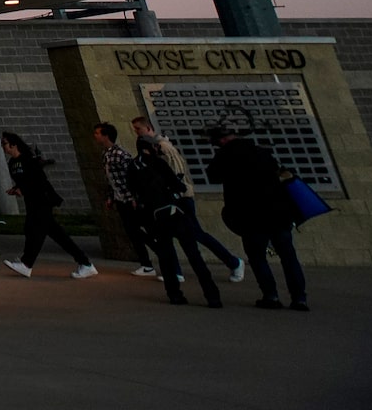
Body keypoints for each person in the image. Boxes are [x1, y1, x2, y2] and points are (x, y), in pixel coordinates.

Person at [206, 125, 309, 311]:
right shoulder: (261, 151)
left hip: (250, 216)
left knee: (257, 257)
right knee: (288, 256)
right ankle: (299, 298)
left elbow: (213, 175)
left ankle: (271, 296)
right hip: (278, 212)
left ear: (220, 141)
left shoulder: (225, 156)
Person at [135, 115, 244, 284]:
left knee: (195, 233)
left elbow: (177, 173)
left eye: (138, 129)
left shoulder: (163, 147)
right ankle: (176, 271)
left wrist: (173, 190)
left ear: (148, 129)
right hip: (170, 198)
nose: (137, 133)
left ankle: (233, 261)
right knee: (169, 234)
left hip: (180, 198)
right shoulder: (155, 147)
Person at [125, 133, 219, 307]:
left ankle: (174, 294)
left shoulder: (133, 167)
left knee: (166, 257)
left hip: (154, 217)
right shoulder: (159, 163)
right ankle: (212, 295)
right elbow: (177, 184)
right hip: (174, 213)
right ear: (149, 148)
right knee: (194, 255)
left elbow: (132, 191)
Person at [0, 131, 97, 278]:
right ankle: (85, 263)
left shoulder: (28, 160)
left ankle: (27, 263)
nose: (3, 147)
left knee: (36, 232)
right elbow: (23, 180)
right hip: (31, 201)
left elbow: (38, 180)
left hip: (42, 200)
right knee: (54, 234)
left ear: (14, 144)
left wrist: (23, 189)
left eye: (5, 144)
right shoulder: (13, 163)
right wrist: (16, 189)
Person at [92, 122, 159, 275]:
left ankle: (160, 254)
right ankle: (146, 264)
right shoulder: (106, 154)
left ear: (106, 135)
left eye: (97, 133)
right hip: (120, 199)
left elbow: (131, 176)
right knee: (132, 232)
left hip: (130, 199)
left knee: (140, 230)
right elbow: (110, 179)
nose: (95, 136)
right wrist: (111, 197)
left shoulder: (120, 153)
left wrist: (134, 196)